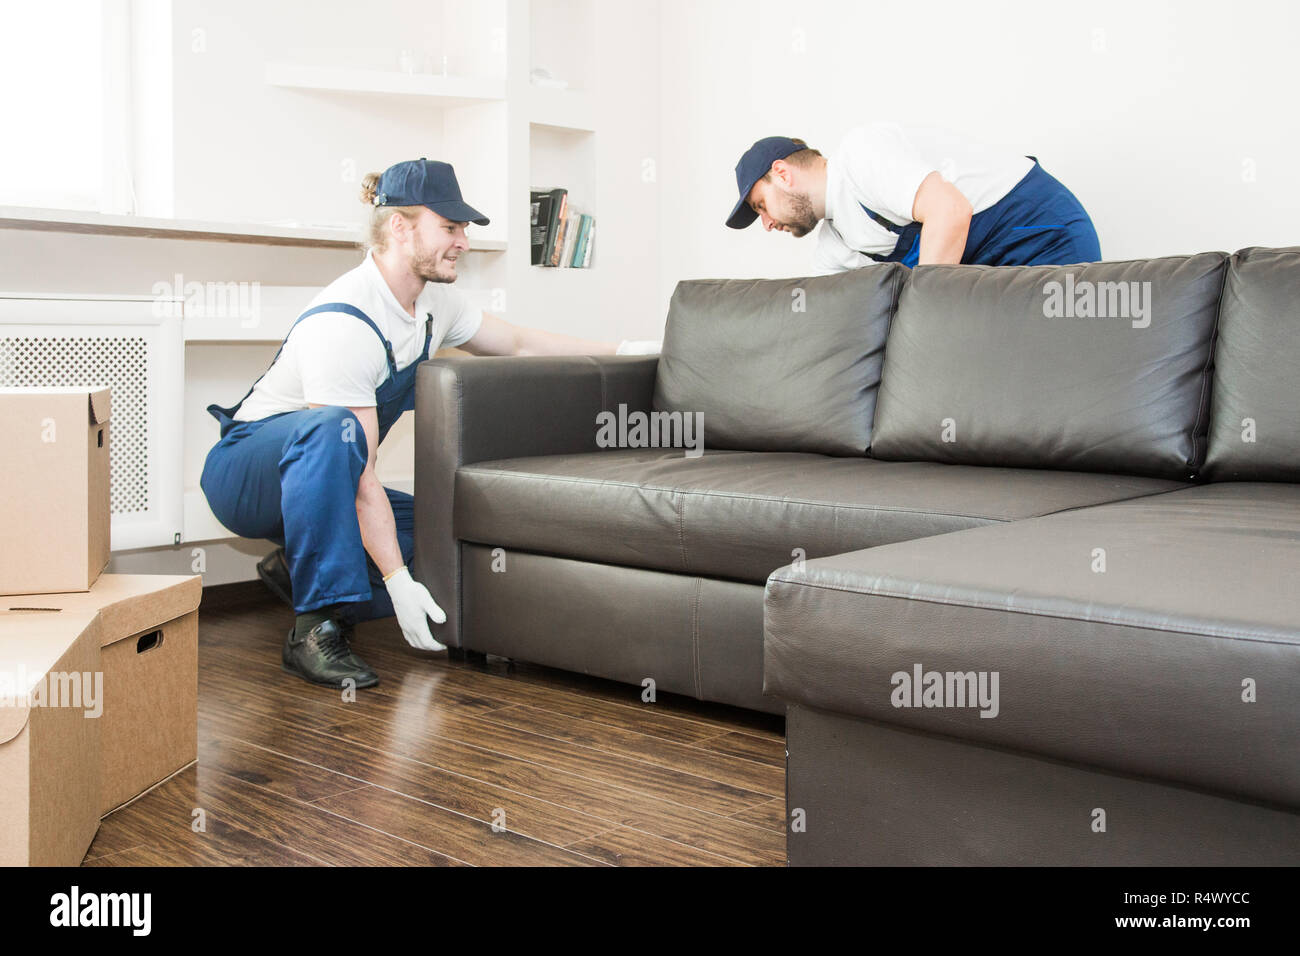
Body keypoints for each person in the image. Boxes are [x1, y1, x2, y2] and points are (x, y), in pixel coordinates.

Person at [201, 158, 657, 688]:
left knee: (442, 540)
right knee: (334, 431)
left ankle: (296, 570)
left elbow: (516, 344)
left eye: (464, 228)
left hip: (321, 484)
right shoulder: (344, 323)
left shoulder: (433, 303)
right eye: (450, 226)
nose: (463, 241)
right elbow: (361, 474)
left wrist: (623, 351)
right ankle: (314, 628)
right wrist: (394, 580)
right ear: (400, 226)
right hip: (247, 474)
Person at [725, 123, 1101, 270]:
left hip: (1038, 232)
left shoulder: (860, 155)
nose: (768, 224)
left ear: (783, 173)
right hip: (983, 273)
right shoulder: (832, 250)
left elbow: (950, 211)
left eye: (761, 206)